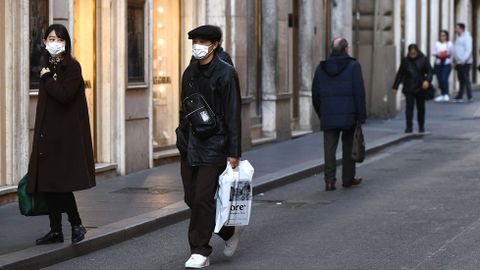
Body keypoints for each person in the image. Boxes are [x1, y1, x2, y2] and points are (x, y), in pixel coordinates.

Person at [176, 25, 243, 269]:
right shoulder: (189, 72)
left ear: (214, 45)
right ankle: (227, 231)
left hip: (215, 144)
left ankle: (200, 251)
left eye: (203, 41)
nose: (197, 46)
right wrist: (180, 136)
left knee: (203, 197)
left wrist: (233, 152)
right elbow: (184, 108)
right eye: (194, 41)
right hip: (189, 144)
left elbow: (234, 113)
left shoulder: (226, 74)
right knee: (192, 198)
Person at [27, 24, 95, 245]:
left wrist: (47, 79)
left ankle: (77, 224)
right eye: (50, 38)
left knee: (60, 186)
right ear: (45, 42)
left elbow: (65, 96)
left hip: (65, 138)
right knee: (48, 185)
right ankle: (55, 231)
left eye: (58, 39)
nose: (54, 42)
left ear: (65, 42)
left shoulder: (72, 67)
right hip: (47, 137)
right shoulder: (47, 66)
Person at [311, 37, 367, 192]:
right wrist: (361, 115)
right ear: (346, 49)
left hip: (328, 114)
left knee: (329, 149)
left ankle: (329, 181)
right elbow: (359, 92)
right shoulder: (354, 66)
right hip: (349, 114)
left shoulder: (321, 68)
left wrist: (321, 112)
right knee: (349, 146)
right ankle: (348, 179)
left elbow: (315, 94)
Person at [393, 44, 433, 133]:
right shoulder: (405, 61)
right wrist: (395, 87)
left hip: (420, 88)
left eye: (414, 53)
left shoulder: (423, 59)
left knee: (421, 108)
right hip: (409, 87)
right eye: (411, 53)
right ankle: (409, 127)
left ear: (417, 52)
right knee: (409, 108)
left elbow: (430, 71)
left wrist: (427, 81)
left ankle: (421, 126)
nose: (412, 55)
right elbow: (400, 74)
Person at [453, 23, 473, 102]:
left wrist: (464, 59)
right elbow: (456, 50)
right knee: (461, 79)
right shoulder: (459, 37)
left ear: (461, 29)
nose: (455, 29)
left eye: (457, 28)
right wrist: (455, 60)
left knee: (465, 78)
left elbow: (468, 49)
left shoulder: (467, 37)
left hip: (465, 62)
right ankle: (460, 96)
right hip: (459, 62)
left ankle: (469, 96)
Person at [432, 30, 454, 102]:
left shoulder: (449, 44)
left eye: (444, 35)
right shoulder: (437, 44)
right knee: (440, 79)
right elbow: (433, 52)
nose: (442, 37)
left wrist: (446, 55)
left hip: (446, 63)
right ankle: (442, 94)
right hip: (438, 63)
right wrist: (439, 54)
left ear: (446, 36)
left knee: (444, 79)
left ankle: (446, 94)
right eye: (441, 35)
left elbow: (452, 53)